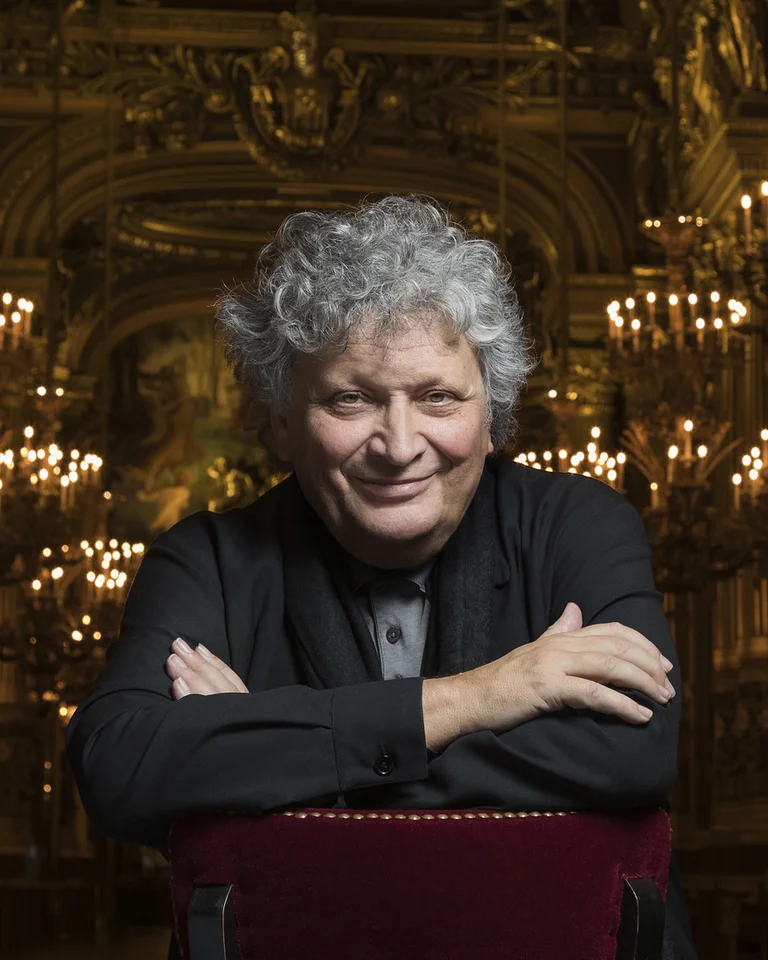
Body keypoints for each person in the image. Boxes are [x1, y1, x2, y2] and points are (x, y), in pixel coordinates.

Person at [66, 195, 698, 960]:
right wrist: (479, 698)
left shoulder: (580, 524)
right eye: (351, 398)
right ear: (281, 420)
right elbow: (117, 768)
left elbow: (637, 751)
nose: (399, 446)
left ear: (492, 414)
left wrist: (268, 759)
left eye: (438, 397)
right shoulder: (207, 556)